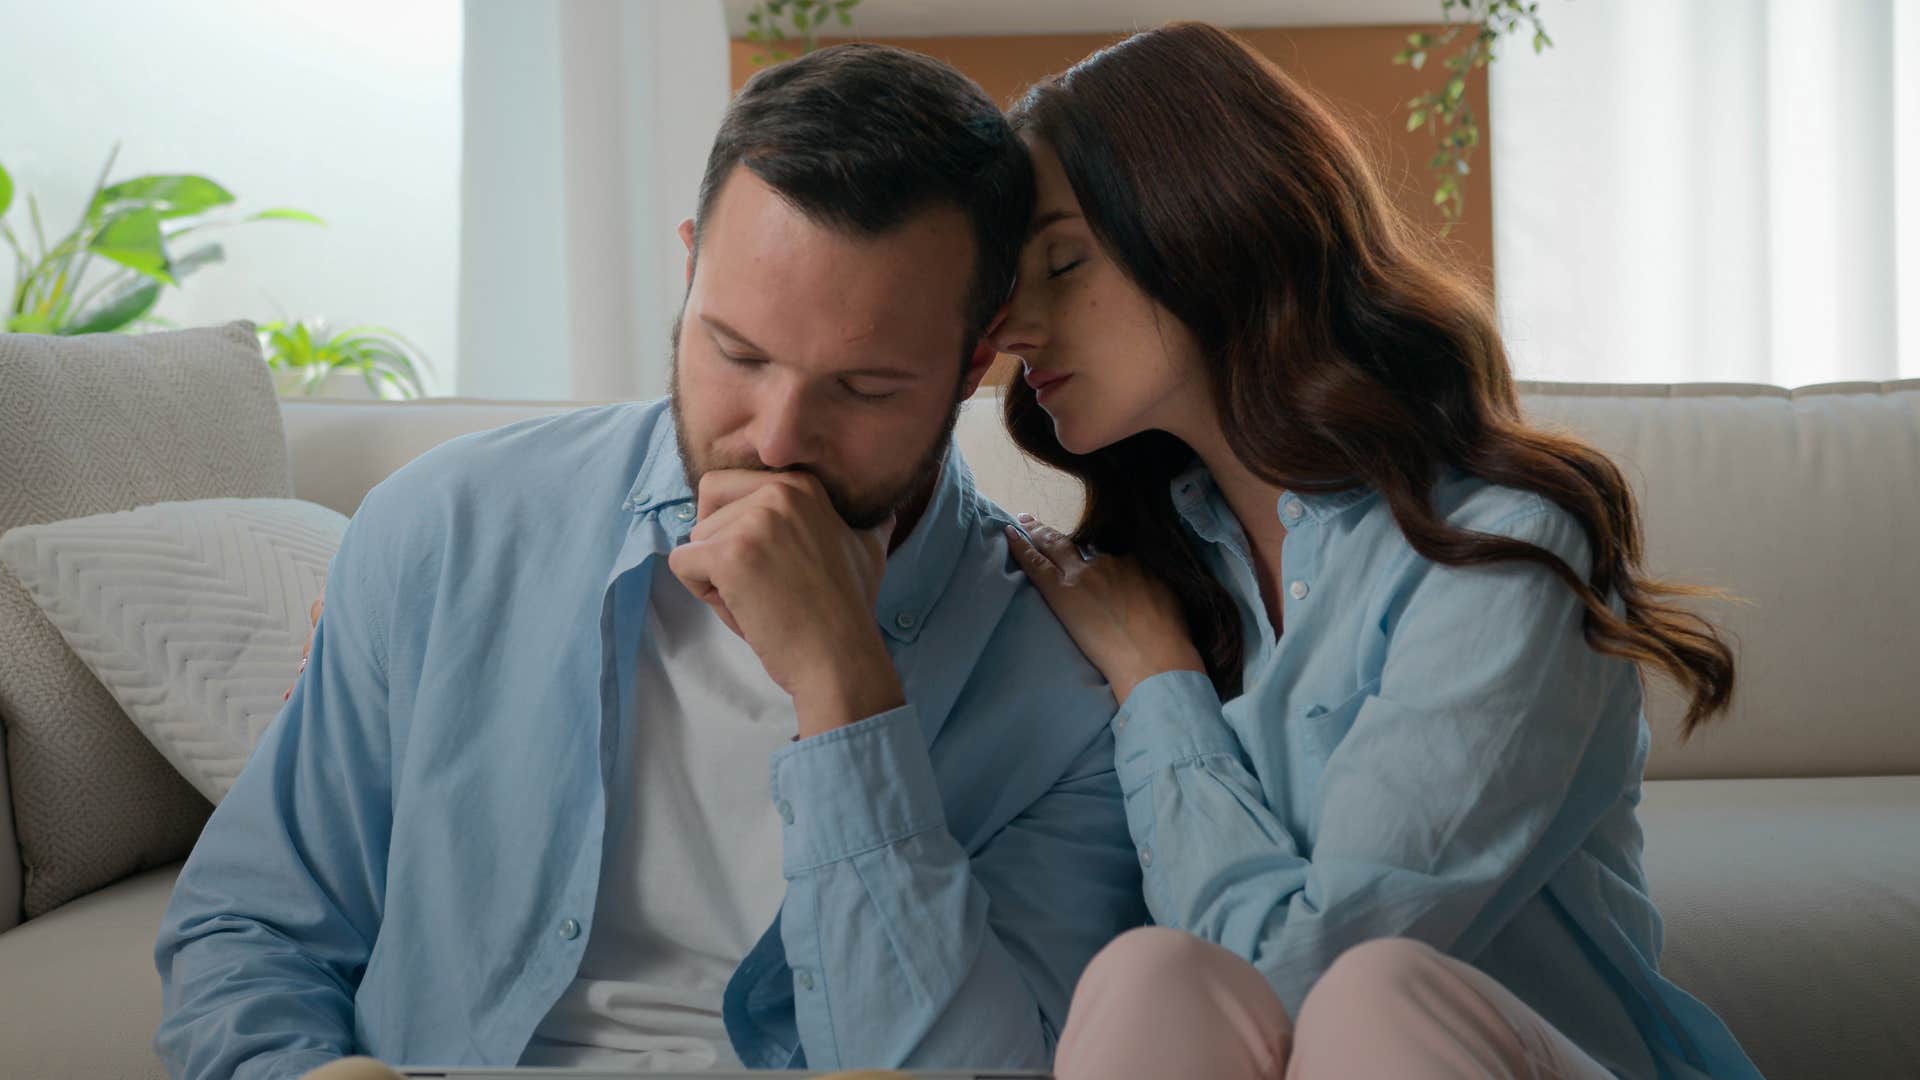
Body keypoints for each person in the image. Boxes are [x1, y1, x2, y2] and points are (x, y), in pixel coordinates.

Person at [154, 44, 1146, 1080]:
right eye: (738, 352)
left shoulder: (1064, 686)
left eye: (864, 387)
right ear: (687, 269)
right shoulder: (445, 531)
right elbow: (252, 929)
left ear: (976, 358)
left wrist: (847, 695)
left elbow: (975, 1065)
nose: (776, 438)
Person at [992, 22, 1763, 1080]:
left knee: (1372, 993)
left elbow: (1309, 970)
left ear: (1208, 225)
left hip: (1478, 1051)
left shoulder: (1498, 541)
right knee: (1144, 975)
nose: (1014, 327)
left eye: (1063, 260)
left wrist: (1160, 686)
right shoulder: (1141, 576)